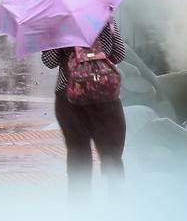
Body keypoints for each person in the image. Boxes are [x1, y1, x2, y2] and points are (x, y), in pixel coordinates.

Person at [41, 18, 126, 197]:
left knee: (78, 153)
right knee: (111, 155)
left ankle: (80, 212)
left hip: (69, 96)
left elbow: (50, 61)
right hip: (105, 95)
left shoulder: (57, 21)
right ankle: (118, 211)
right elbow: (119, 54)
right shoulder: (104, 17)